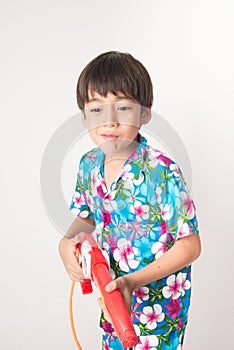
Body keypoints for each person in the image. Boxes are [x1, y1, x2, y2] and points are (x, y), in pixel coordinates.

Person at [59, 51, 201, 350]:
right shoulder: (88, 164)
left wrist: (132, 282)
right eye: (96, 110)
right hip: (111, 296)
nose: (109, 122)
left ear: (145, 114)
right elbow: (87, 216)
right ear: (84, 116)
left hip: (159, 309)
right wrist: (66, 242)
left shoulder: (161, 171)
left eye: (122, 108)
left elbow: (190, 245)